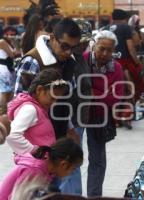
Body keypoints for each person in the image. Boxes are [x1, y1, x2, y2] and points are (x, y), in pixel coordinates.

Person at [14, 18, 81, 141]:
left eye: (74, 48)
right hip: (35, 138)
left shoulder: (70, 63)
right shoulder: (32, 61)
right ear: (52, 38)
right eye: (64, 46)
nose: (68, 52)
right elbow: (18, 103)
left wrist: (70, 128)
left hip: (60, 133)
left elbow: (65, 101)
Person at [84, 30, 124, 197]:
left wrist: (93, 93)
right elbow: (76, 89)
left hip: (99, 117)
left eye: (110, 50)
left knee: (98, 160)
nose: (105, 54)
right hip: (74, 114)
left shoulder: (116, 67)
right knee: (69, 155)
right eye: (102, 49)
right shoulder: (83, 60)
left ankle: (94, 196)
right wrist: (103, 92)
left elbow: (117, 97)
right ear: (94, 45)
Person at [58, 19, 93, 195]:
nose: (85, 44)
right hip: (69, 121)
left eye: (87, 41)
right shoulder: (67, 61)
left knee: (75, 164)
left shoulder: (81, 58)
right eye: (82, 42)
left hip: (79, 121)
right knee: (69, 166)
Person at [6, 69, 67, 155]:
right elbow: (12, 135)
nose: (54, 103)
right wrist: (36, 151)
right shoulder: (30, 109)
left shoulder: (39, 107)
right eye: (52, 98)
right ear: (39, 90)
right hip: (34, 165)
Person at [0, 137, 83, 200]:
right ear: (64, 164)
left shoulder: (46, 170)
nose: (70, 173)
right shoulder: (34, 171)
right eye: (72, 169)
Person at [111, 9, 143, 129]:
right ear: (125, 19)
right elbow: (131, 46)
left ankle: (114, 119)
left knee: (111, 92)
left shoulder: (103, 29)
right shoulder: (126, 28)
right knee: (130, 90)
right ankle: (126, 116)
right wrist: (137, 62)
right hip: (123, 65)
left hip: (107, 66)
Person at [0, 26, 20, 115]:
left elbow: (18, 53)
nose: (11, 36)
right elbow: (12, 55)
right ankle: (3, 113)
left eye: (13, 34)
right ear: (4, 34)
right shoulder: (2, 42)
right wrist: (15, 44)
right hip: (4, 69)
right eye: (9, 34)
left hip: (10, 69)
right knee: (4, 92)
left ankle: (8, 112)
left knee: (10, 92)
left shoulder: (10, 42)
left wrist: (15, 43)